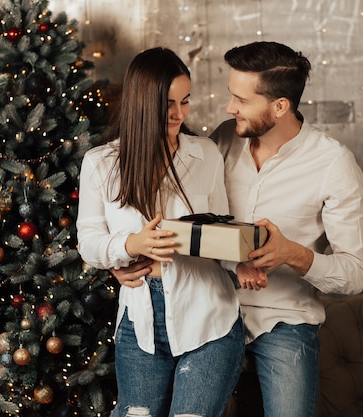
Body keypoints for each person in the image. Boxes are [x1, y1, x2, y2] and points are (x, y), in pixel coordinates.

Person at [111, 41, 363, 417]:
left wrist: (291, 254)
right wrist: (125, 257)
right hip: (204, 308)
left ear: (279, 106)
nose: (230, 108)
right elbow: (168, 218)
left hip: (282, 320)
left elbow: (354, 275)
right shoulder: (221, 140)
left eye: (241, 100)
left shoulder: (333, 164)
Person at [76, 47, 244, 417]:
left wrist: (241, 264)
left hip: (209, 318)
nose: (179, 114)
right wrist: (131, 244)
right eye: (168, 103)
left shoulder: (206, 155)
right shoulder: (101, 164)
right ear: (141, 102)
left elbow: (221, 232)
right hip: (140, 323)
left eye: (185, 101)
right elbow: (88, 242)